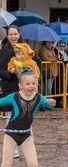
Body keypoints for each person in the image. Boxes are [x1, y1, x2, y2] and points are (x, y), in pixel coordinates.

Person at [0, 68, 56, 167]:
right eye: (27, 84)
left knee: (34, 164)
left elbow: (50, 105)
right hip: (11, 135)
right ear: (20, 85)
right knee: (6, 165)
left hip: (26, 135)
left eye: (33, 83)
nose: (31, 86)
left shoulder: (38, 98)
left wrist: (51, 103)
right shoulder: (14, 96)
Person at [0, 25, 41, 159]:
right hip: (10, 88)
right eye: (10, 34)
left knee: (26, 115)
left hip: (25, 90)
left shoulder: (26, 47)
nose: (13, 37)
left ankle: (29, 144)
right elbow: (1, 71)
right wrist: (10, 73)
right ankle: (13, 150)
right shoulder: (4, 51)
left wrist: (30, 75)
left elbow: (37, 62)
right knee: (10, 117)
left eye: (15, 34)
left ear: (19, 34)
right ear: (7, 35)